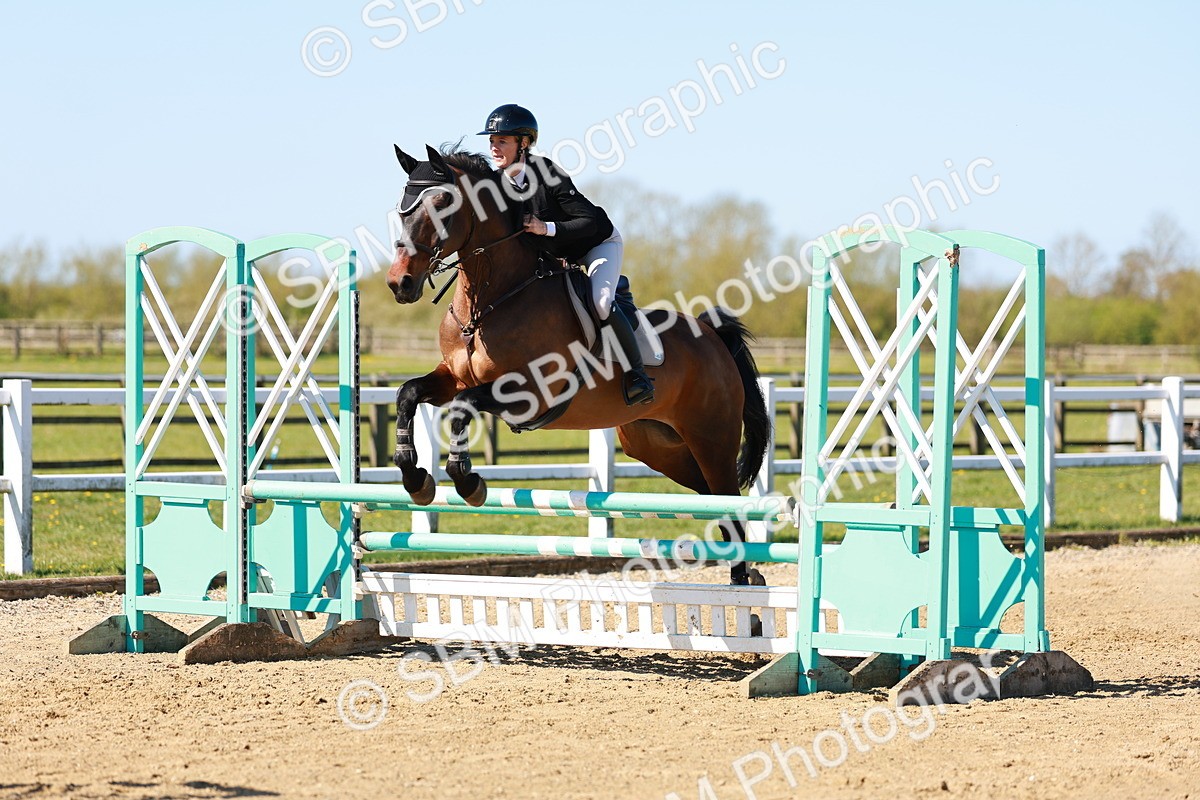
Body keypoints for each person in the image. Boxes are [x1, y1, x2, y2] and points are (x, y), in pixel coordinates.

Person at [478, 103, 655, 407]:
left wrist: (544, 227)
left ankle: (637, 375)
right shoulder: (496, 185)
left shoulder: (547, 173)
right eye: (492, 141)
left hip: (597, 245)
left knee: (601, 303)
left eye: (502, 141)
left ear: (524, 143)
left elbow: (588, 221)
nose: (494, 148)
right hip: (556, 257)